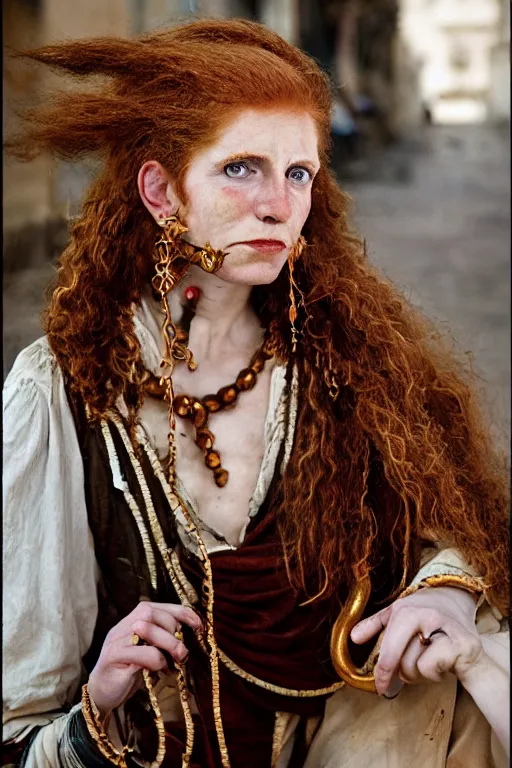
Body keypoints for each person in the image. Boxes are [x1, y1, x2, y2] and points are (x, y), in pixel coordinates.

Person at [3, 18, 509, 768]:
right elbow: (22, 713)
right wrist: (96, 705)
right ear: (161, 191)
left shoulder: (347, 357)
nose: (278, 204)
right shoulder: (62, 393)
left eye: (299, 173)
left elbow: (456, 525)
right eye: (242, 168)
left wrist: (444, 595)